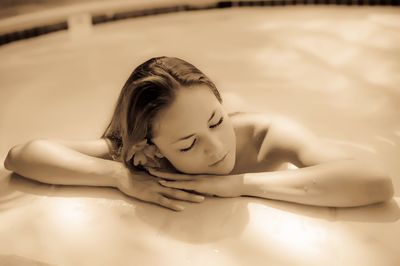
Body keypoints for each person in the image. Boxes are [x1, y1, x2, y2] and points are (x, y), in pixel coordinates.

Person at [4, 56, 394, 211]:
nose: (215, 146)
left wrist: (237, 184)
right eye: (188, 143)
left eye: (216, 120)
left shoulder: (265, 135)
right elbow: (22, 154)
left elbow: (375, 182)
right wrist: (119, 175)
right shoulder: (141, 153)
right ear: (151, 147)